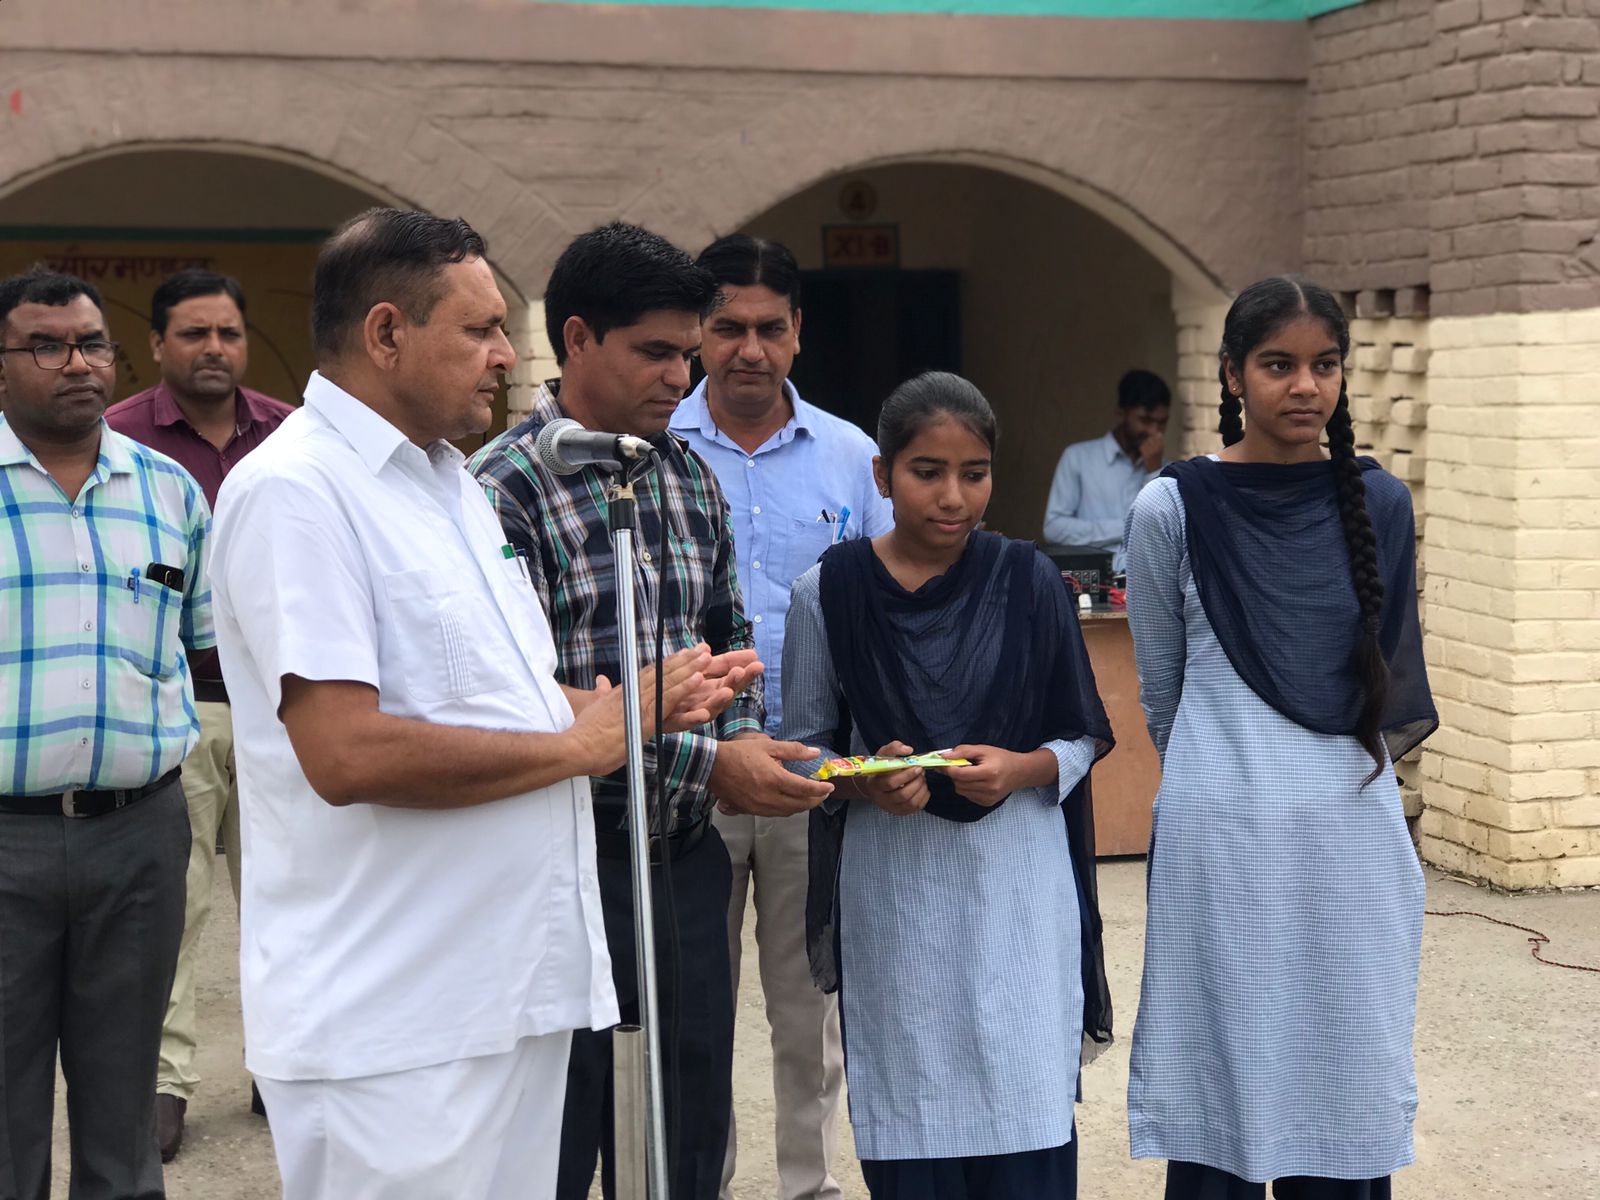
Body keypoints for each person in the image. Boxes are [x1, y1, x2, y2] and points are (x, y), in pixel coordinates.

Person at [209, 208, 753, 1200]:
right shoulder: (296, 491)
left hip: (506, 998)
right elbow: (345, 753)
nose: (507, 354)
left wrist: (642, 708)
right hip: (392, 1028)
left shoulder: (448, 484)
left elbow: (508, 700)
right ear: (386, 333)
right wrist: (589, 742)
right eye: (481, 329)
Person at [470, 222, 833, 1200]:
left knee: (684, 1135)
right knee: (555, 1139)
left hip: (682, 862)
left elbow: (727, 642)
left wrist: (743, 741)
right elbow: (525, 707)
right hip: (558, 869)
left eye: (687, 350)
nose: (683, 375)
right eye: (656, 352)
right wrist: (716, 763)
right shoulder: (501, 491)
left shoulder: (683, 474)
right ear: (577, 339)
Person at [1123, 276, 1437, 1200]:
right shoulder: (1170, 508)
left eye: (1324, 365)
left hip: (1349, 833)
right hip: (1219, 833)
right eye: (1278, 365)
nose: (1305, 386)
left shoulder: (1381, 503)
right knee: (1220, 1070)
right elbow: (1163, 691)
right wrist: (1230, 774)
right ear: (1232, 374)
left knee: (1344, 1068)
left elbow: (1384, 682)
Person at [780, 372, 1114, 1200]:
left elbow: (1081, 736)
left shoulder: (1031, 581)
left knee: (1023, 1091)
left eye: (975, 472)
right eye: (928, 472)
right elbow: (807, 754)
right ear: (883, 473)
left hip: (1017, 890)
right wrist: (864, 782)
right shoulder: (828, 593)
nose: (954, 496)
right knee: (913, 1095)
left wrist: (1021, 768)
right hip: (898, 897)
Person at [668, 233, 891, 1200]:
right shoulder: (657, 449)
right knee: (695, 1009)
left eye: (769, 328)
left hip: (810, 773)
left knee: (811, 1012)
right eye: (727, 328)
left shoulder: (853, 458)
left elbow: (892, 604)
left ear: (799, 331)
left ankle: (811, 1186)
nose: (748, 350)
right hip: (694, 771)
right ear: (699, 334)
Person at [0, 267, 213, 1199]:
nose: (77, 364)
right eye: (46, 346)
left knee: (125, 1119)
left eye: (91, 344)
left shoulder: (170, 492)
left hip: (139, 838)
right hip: (4, 843)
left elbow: (210, 643)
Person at [106, 267, 295, 1160]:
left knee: (288, 897)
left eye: (227, 332)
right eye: (193, 333)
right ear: (157, 345)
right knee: (171, 914)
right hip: (181, 708)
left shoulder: (290, 434)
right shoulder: (118, 442)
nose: (213, 348)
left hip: (287, 714)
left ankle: (282, 1069)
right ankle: (163, 1083)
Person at [1042, 368, 1171, 570]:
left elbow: (1164, 531)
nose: (1154, 432)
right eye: (1145, 420)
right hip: (1090, 580)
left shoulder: (1168, 471)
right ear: (1122, 411)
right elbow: (1054, 529)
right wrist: (1125, 526)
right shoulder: (1078, 458)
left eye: (1161, 423)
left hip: (1145, 581)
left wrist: (1154, 472)